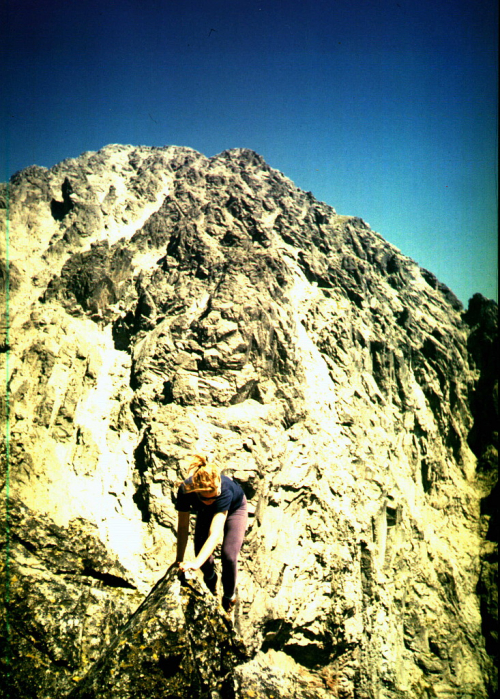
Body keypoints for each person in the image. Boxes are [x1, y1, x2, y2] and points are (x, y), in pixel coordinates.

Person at [175, 454, 248, 613]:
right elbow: (182, 527)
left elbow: (215, 534)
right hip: (205, 511)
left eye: (214, 496)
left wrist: (194, 564)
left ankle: (229, 597)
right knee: (200, 553)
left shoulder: (224, 492)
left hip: (236, 508)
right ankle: (211, 579)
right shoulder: (186, 491)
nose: (212, 500)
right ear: (196, 491)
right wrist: (179, 560)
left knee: (228, 555)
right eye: (207, 498)